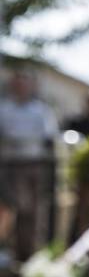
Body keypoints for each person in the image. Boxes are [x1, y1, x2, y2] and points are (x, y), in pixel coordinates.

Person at [0, 68, 59, 262]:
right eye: (17, 83)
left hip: (33, 166)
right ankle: (7, 252)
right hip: (8, 166)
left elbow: (49, 139)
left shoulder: (41, 111)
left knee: (31, 213)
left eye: (24, 83)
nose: (21, 87)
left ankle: (29, 255)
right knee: (7, 210)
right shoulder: (4, 108)